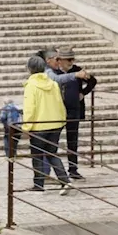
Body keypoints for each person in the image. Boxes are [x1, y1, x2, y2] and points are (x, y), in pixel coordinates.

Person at [21, 55, 71, 194]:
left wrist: (26, 127)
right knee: (52, 153)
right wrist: (62, 121)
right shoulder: (53, 83)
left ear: (29, 69)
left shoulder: (31, 86)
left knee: (37, 155)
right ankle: (64, 180)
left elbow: (30, 108)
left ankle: (38, 184)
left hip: (39, 126)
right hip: (55, 123)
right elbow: (60, 103)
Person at [50, 49, 95, 180]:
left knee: (73, 140)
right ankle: (49, 171)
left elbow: (92, 81)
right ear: (60, 60)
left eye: (72, 59)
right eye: (69, 60)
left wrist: (83, 93)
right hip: (57, 110)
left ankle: (73, 169)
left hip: (74, 110)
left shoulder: (77, 70)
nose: (71, 62)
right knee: (52, 140)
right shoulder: (54, 73)